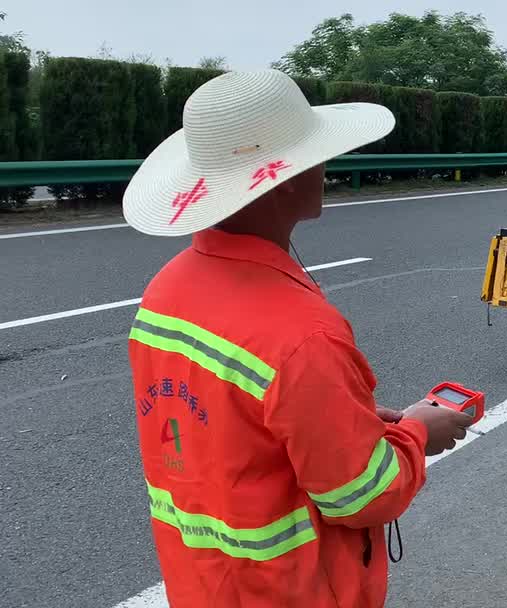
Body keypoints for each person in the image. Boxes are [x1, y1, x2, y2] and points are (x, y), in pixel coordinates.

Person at [122, 69, 474, 607]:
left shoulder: (165, 289)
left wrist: (342, 416)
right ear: (284, 178)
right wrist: (418, 433)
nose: (325, 169)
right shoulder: (302, 334)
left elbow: (233, 420)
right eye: (315, 156)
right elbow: (361, 496)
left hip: (202, 584)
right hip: (291, 591)